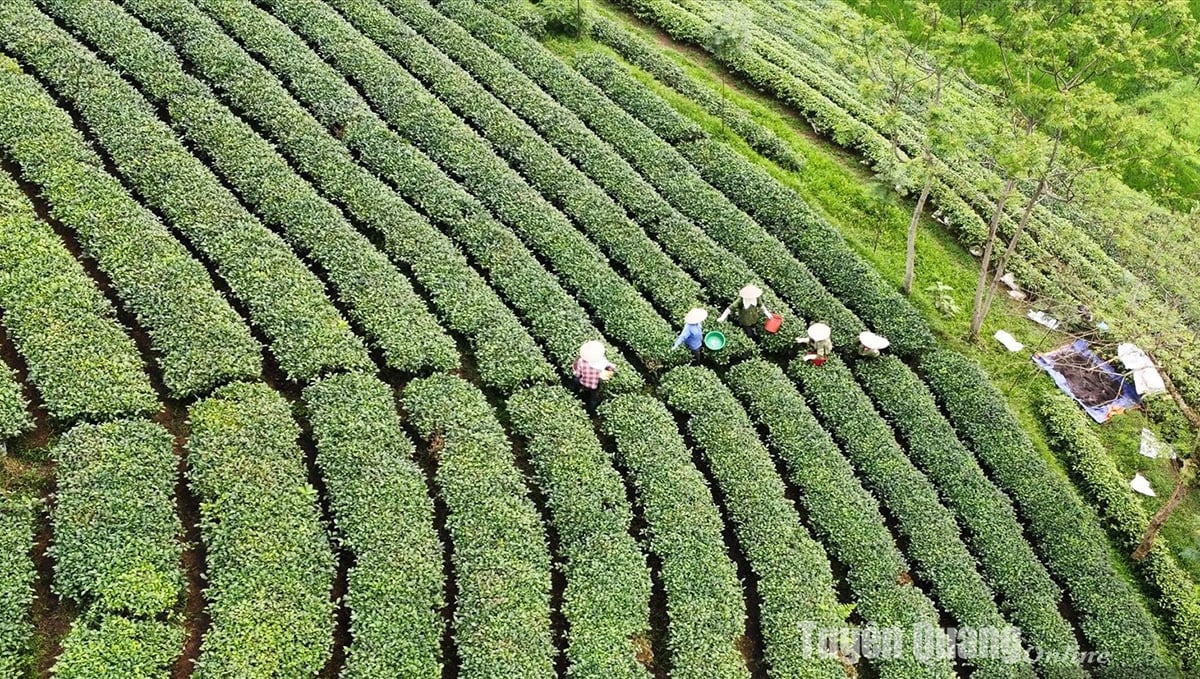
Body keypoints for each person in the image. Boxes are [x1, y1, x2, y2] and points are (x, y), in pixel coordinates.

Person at [572, 341, 615, 415]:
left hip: (583, 382)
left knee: (575, 380)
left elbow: (577, 374)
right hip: (594, 385)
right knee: (593, 399)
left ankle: (575, 394)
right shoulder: (602, 362)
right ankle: (590, 413)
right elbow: (611, 367)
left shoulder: (581, 361)